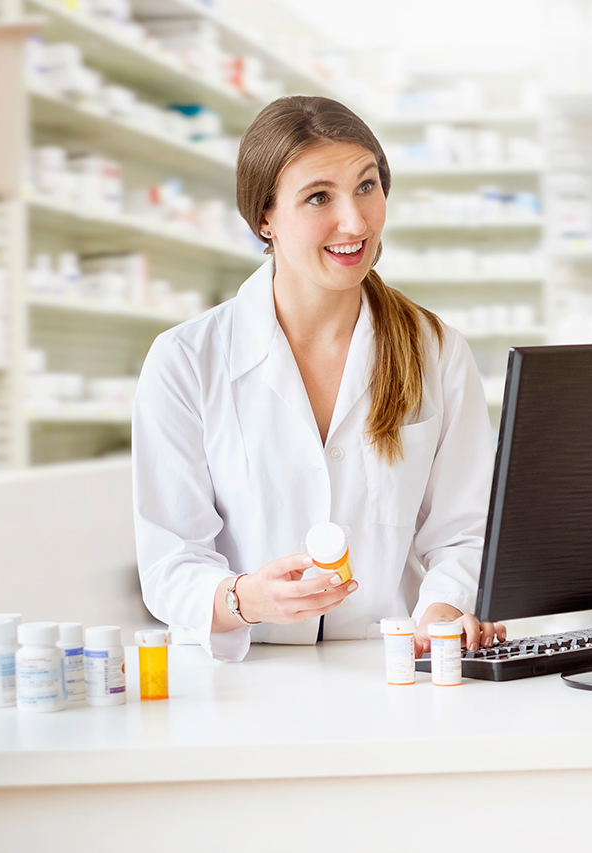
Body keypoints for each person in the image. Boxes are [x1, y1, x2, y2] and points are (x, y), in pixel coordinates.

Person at [133, 96, 505, 662]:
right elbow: (170, 560)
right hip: (245, 677)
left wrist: (442, 611)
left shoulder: (436, 351)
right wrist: (245, 598)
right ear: (264, 218)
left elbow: (465, 531)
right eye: (318, 197)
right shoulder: (186, 360)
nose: (355, 222)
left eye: (367, 185)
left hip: (393, 668)